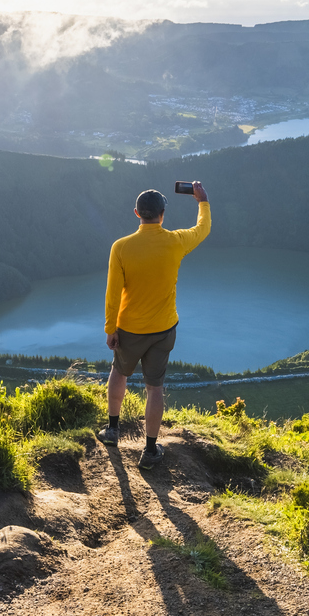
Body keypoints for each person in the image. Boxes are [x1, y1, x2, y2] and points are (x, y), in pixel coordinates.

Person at [98, 181, 210, 470]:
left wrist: (111, 328)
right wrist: (202, 201)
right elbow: (202, 230)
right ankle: (149, 451)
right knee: (155, 388)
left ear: (137, 213)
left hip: (129, 329)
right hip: (163, 330)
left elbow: (113, 293)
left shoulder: (121, 247)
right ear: (162, 214)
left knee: (119, 372)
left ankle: (112, 430)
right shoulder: (175, 242)